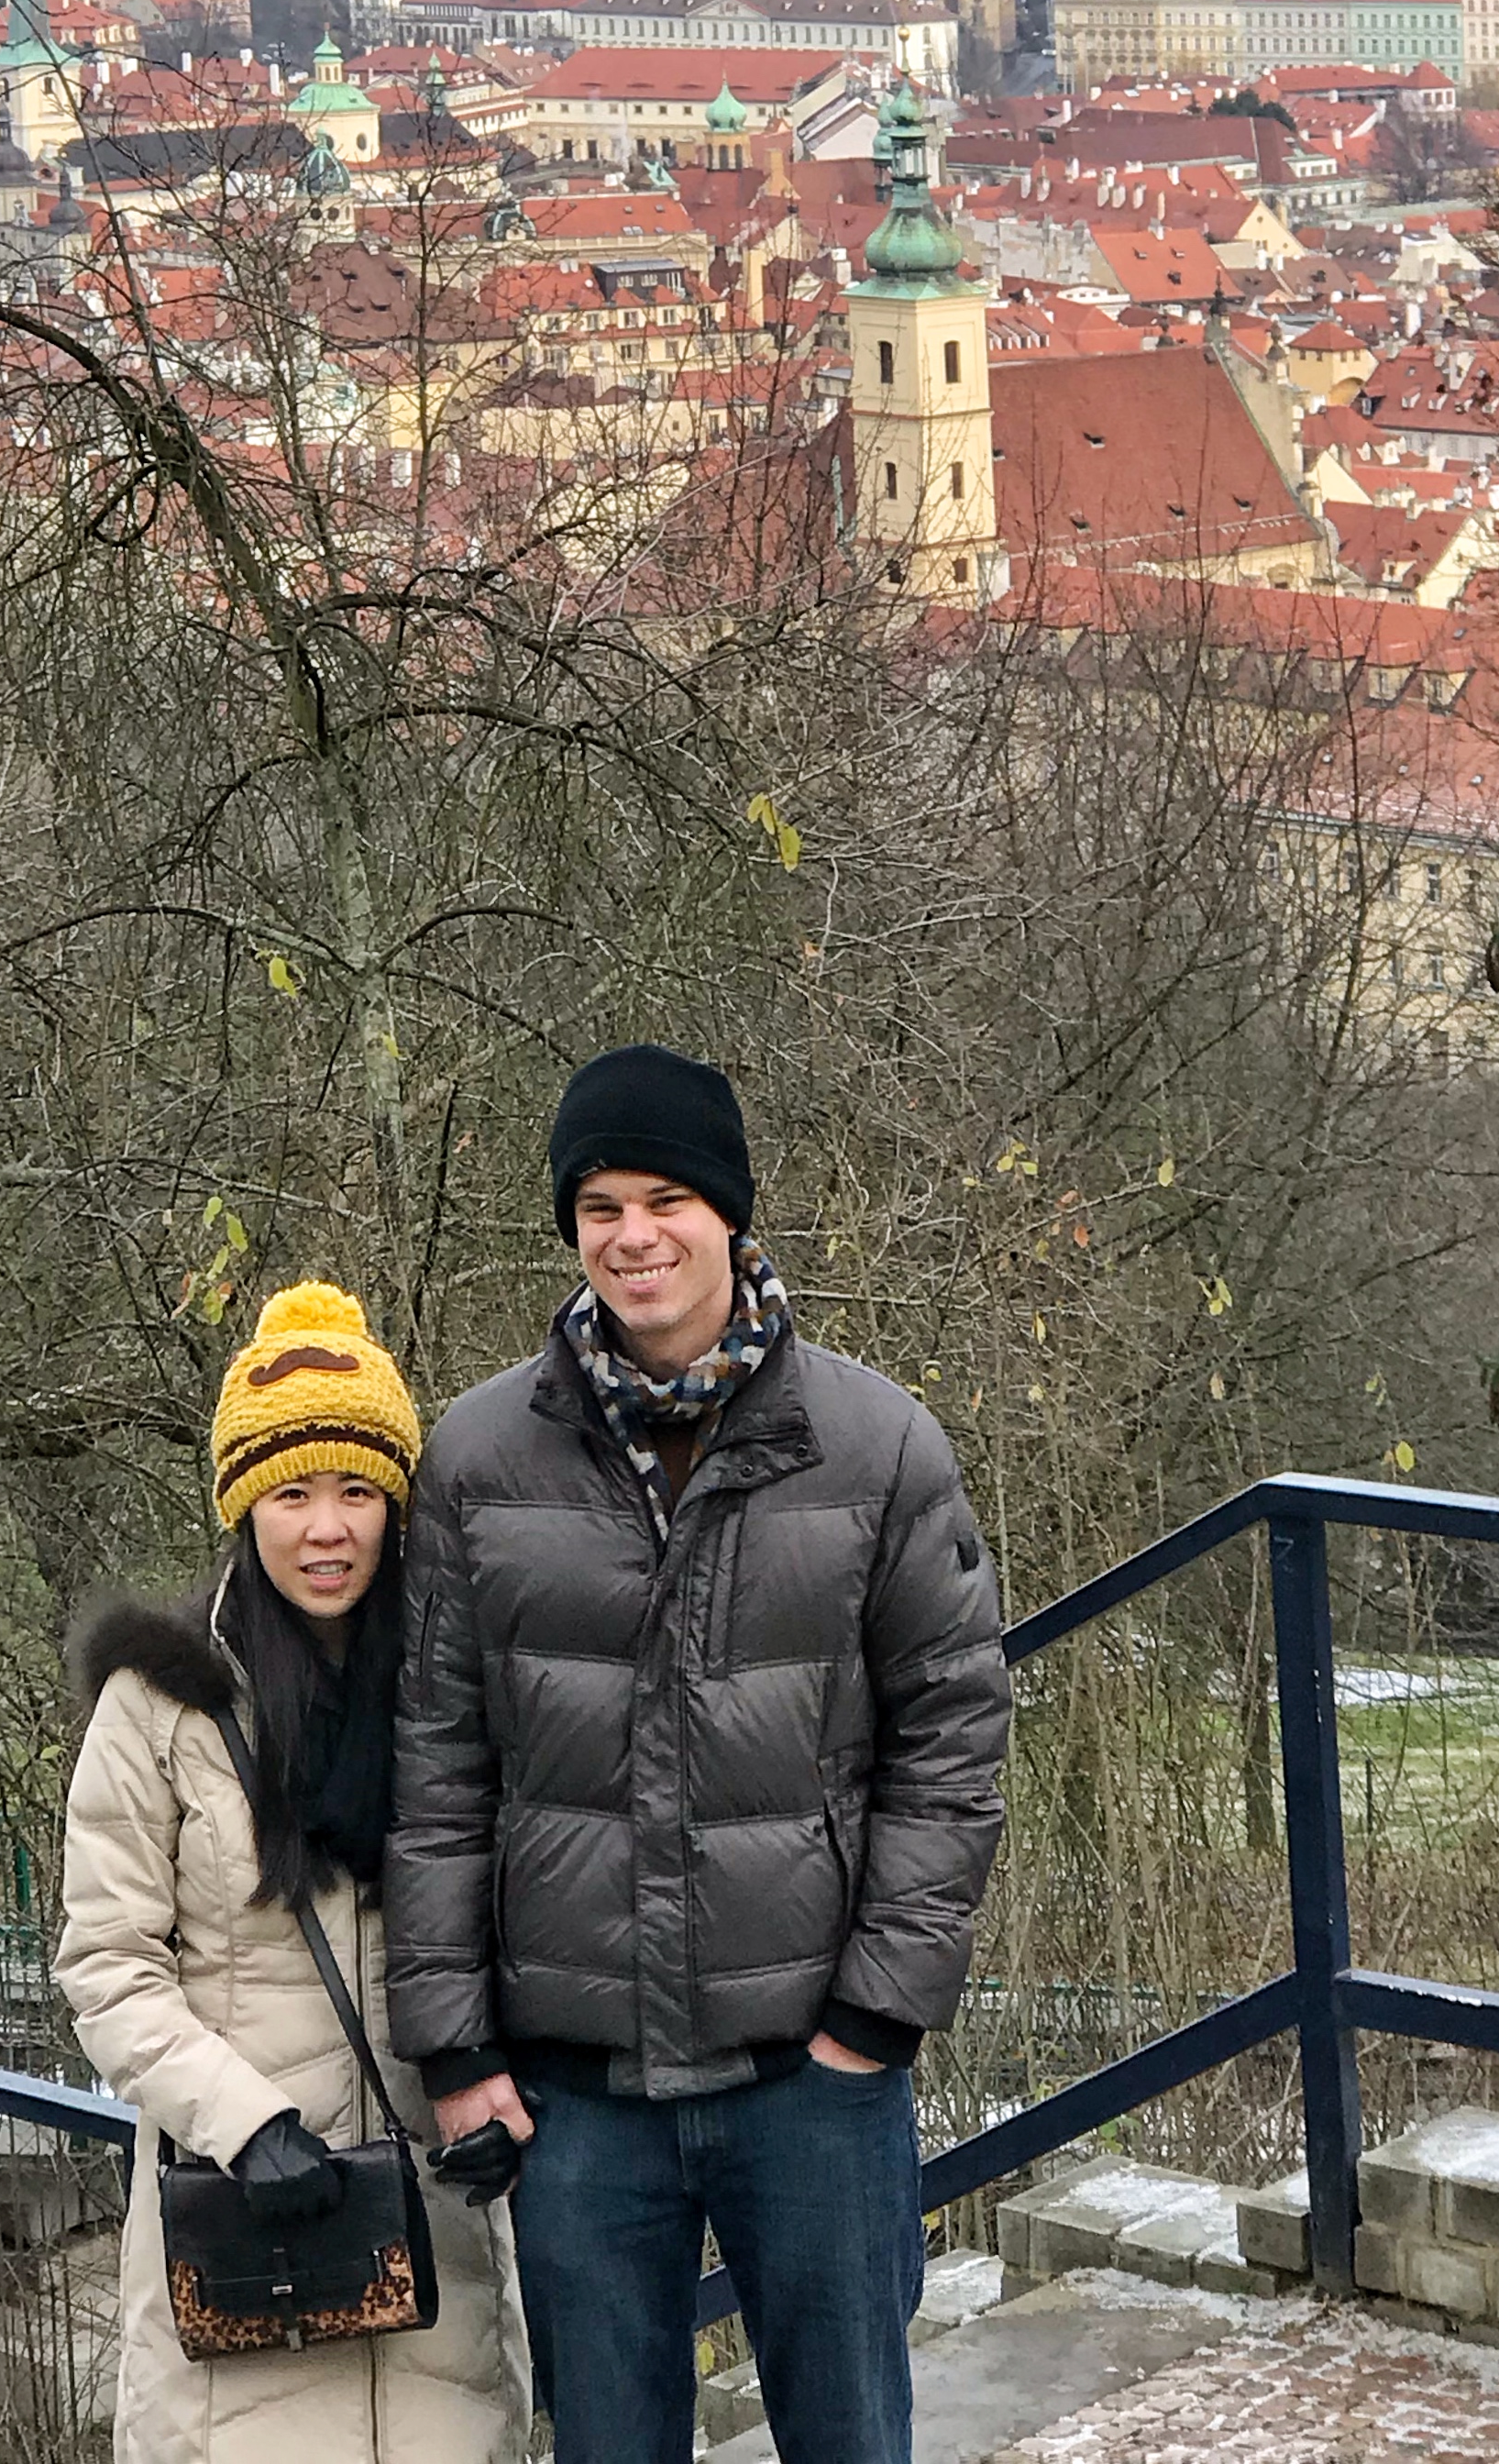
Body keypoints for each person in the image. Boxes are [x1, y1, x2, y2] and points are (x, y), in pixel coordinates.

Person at [386, 1044, 1011, 2464]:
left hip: (813, 2081)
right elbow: (438, 1771)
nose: (635, 1236)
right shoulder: (480, 1462)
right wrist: (457, 2048)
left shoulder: (877, 1448)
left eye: (666, 1198)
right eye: (601, 1205)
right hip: (576, 2100)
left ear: (731, 1212)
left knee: (852, 2441)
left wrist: (876, 2019)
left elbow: (954, 1742)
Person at [57, 1279, 531, 2464]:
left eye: (359, 1490)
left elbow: (520, 1911)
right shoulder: (159, 1708)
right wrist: (242, 2121)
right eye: (294, 1491)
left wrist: (506, 2085)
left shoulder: (453, 1689)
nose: (328, 1527)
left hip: (436, 2259)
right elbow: (108, 1967)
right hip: (247, 2244)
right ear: (244, 1502)